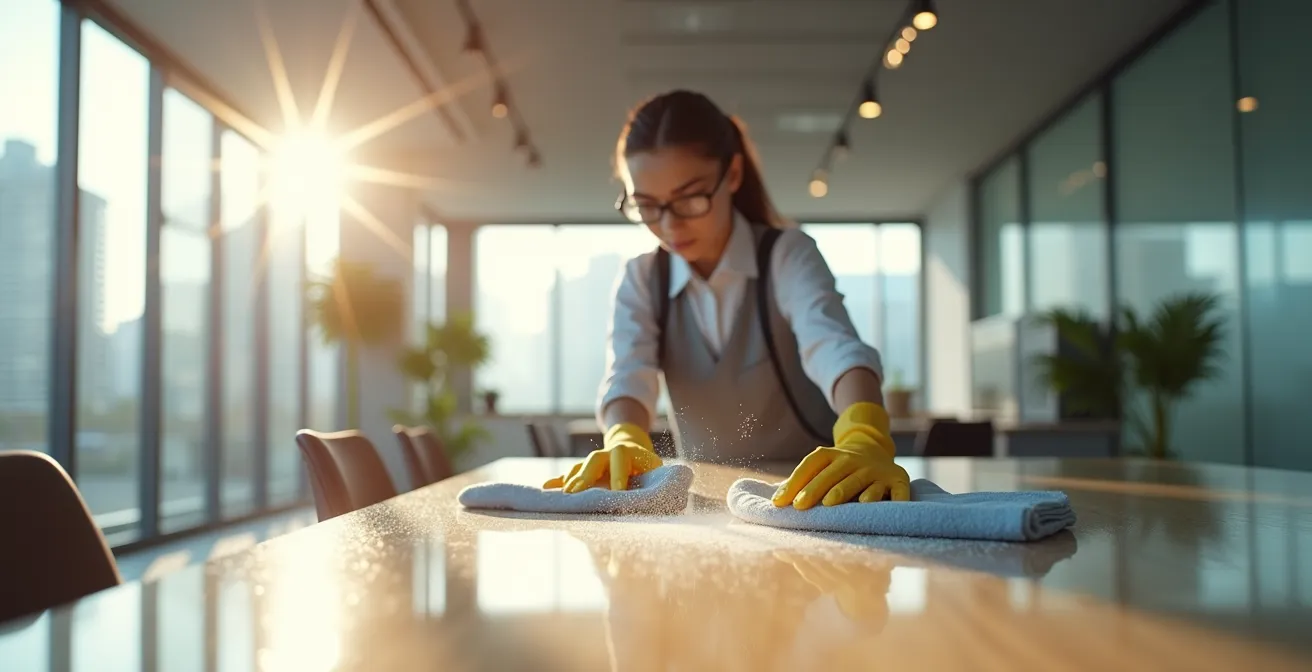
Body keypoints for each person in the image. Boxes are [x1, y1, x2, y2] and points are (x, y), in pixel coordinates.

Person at [544, 90, 909, 509]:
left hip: (813, 497)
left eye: (688, 199)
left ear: (732, 174)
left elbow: (835, 348)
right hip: (705, 503)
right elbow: (629, 374)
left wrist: (864, 434)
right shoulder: (643, 278)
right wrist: (624, 437)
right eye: (646, 205)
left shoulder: (786, 254)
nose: (668, 224)